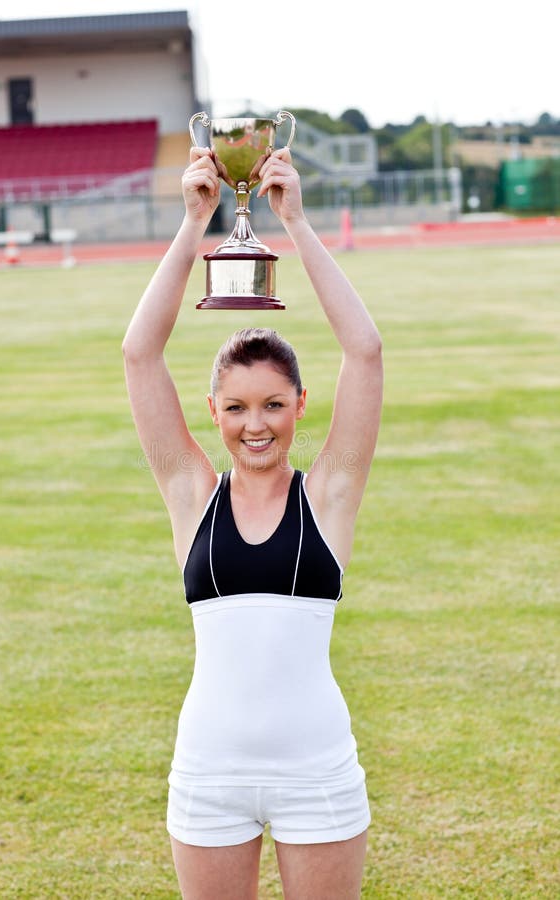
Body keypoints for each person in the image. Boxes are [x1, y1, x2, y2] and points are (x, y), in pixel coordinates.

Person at [122, 145, 383, 900]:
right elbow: (141, 355)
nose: (256, 425)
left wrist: (295, 221)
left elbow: (364, 353)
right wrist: (194, 220)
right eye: (236, 408)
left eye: (273, 404)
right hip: (209, 775)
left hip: (318, 774)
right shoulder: (190, 494)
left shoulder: (328, 498)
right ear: (214, 414)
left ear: (301, 405)